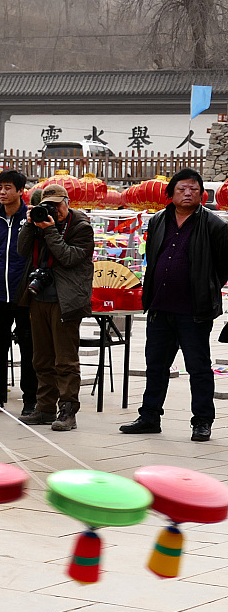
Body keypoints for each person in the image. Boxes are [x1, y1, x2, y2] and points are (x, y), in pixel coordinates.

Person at [121, 168, 228, 442]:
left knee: (198, 367)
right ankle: (149, 417)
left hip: (194, 310)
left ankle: (202, 421)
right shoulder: (158, 220)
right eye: (182, 188)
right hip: (160, 307)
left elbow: (223, 266)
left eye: (194, 188)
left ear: (202, 194)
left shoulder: (214, 225)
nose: (188, 192)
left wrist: (207, 289)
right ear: (171, 194)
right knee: (155, 366)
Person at [16, 184, 94, 431]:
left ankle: (68, 411)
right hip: (39, 298)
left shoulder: (81, 227)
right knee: (41, 358)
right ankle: (45, 408)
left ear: (67, 202)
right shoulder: (39, 224)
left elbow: (69, 257)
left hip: (66, 300)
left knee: (65, 360)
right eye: (48, 205)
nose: (54, 210)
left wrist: (50, 231)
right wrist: (30, 225)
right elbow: (22, 250)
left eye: (57, 205)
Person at [0, 169, 37, 416]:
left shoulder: (31, 218)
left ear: (20, 191)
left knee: (29, 347)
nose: (2, 192)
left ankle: (30, 400)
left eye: (8, 188)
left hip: (24, 293)